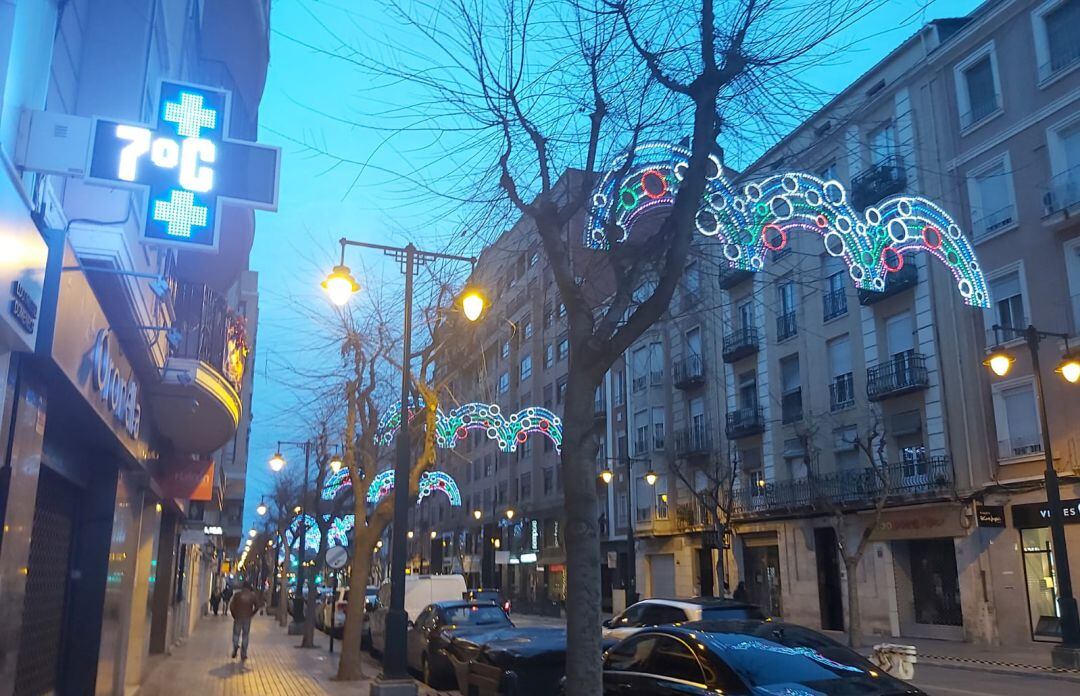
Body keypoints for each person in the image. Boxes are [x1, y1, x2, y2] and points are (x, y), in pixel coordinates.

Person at [229, 581, 259, 661]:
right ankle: (243, 653)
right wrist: (252, 614)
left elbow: (231, 606)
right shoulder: (252, 596)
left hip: (238, 617)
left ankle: (235, 645)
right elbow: (257, 606)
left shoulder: (237, 595)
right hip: (247, 618)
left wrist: (234, 615)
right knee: (245, 635)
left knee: (236, 634)